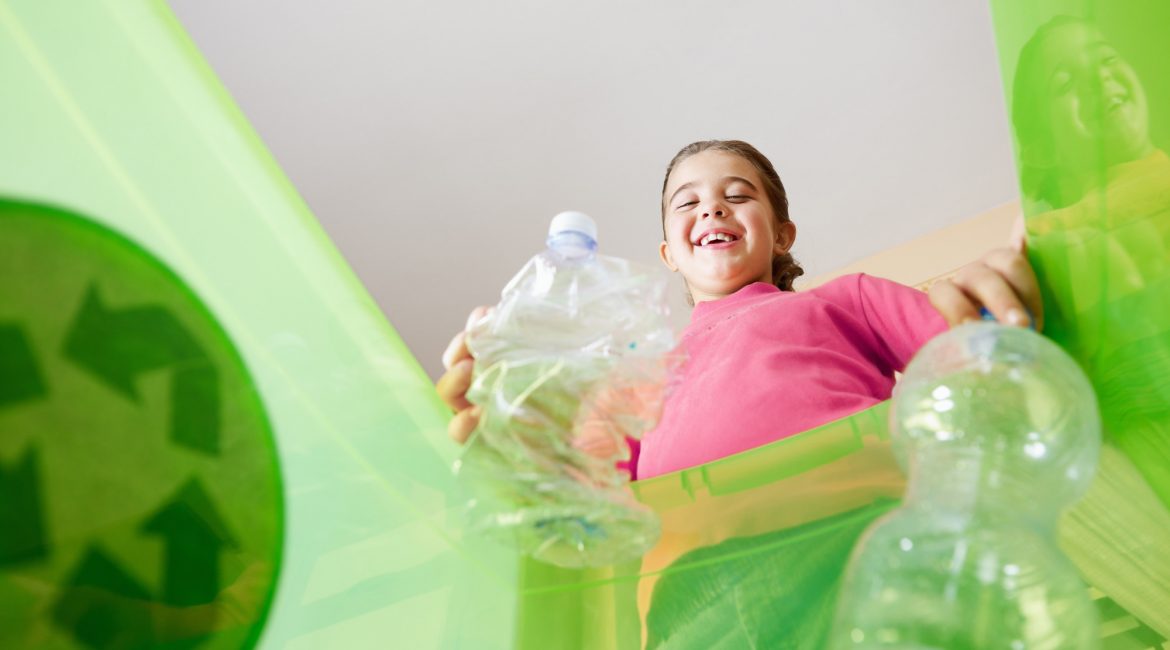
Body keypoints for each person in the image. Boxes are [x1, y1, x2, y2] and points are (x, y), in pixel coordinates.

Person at [437, 139, 1042, 481]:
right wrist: (518, 432)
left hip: (862, 528)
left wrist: (1012, 301)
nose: (713, 211)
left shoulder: (848, 300)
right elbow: (586, 492)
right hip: (697, 585)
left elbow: (985, 355)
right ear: (669, 253)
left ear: (782, 235)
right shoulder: (636, 375)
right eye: (689, 203)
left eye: (737, 196)